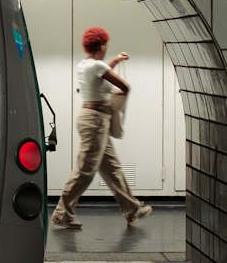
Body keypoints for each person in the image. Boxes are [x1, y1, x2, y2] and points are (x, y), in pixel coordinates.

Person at [51, 26, 154, 230]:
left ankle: (132, 210)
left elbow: (101, 72)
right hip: (95, 123)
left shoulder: (86, 64)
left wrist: (115, 61)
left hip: (92, 120)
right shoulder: (97, 67)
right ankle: (62, 213)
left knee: (112, 168)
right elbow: (125, 86)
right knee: (85, 170)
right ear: (103, 45)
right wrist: (117, 93)